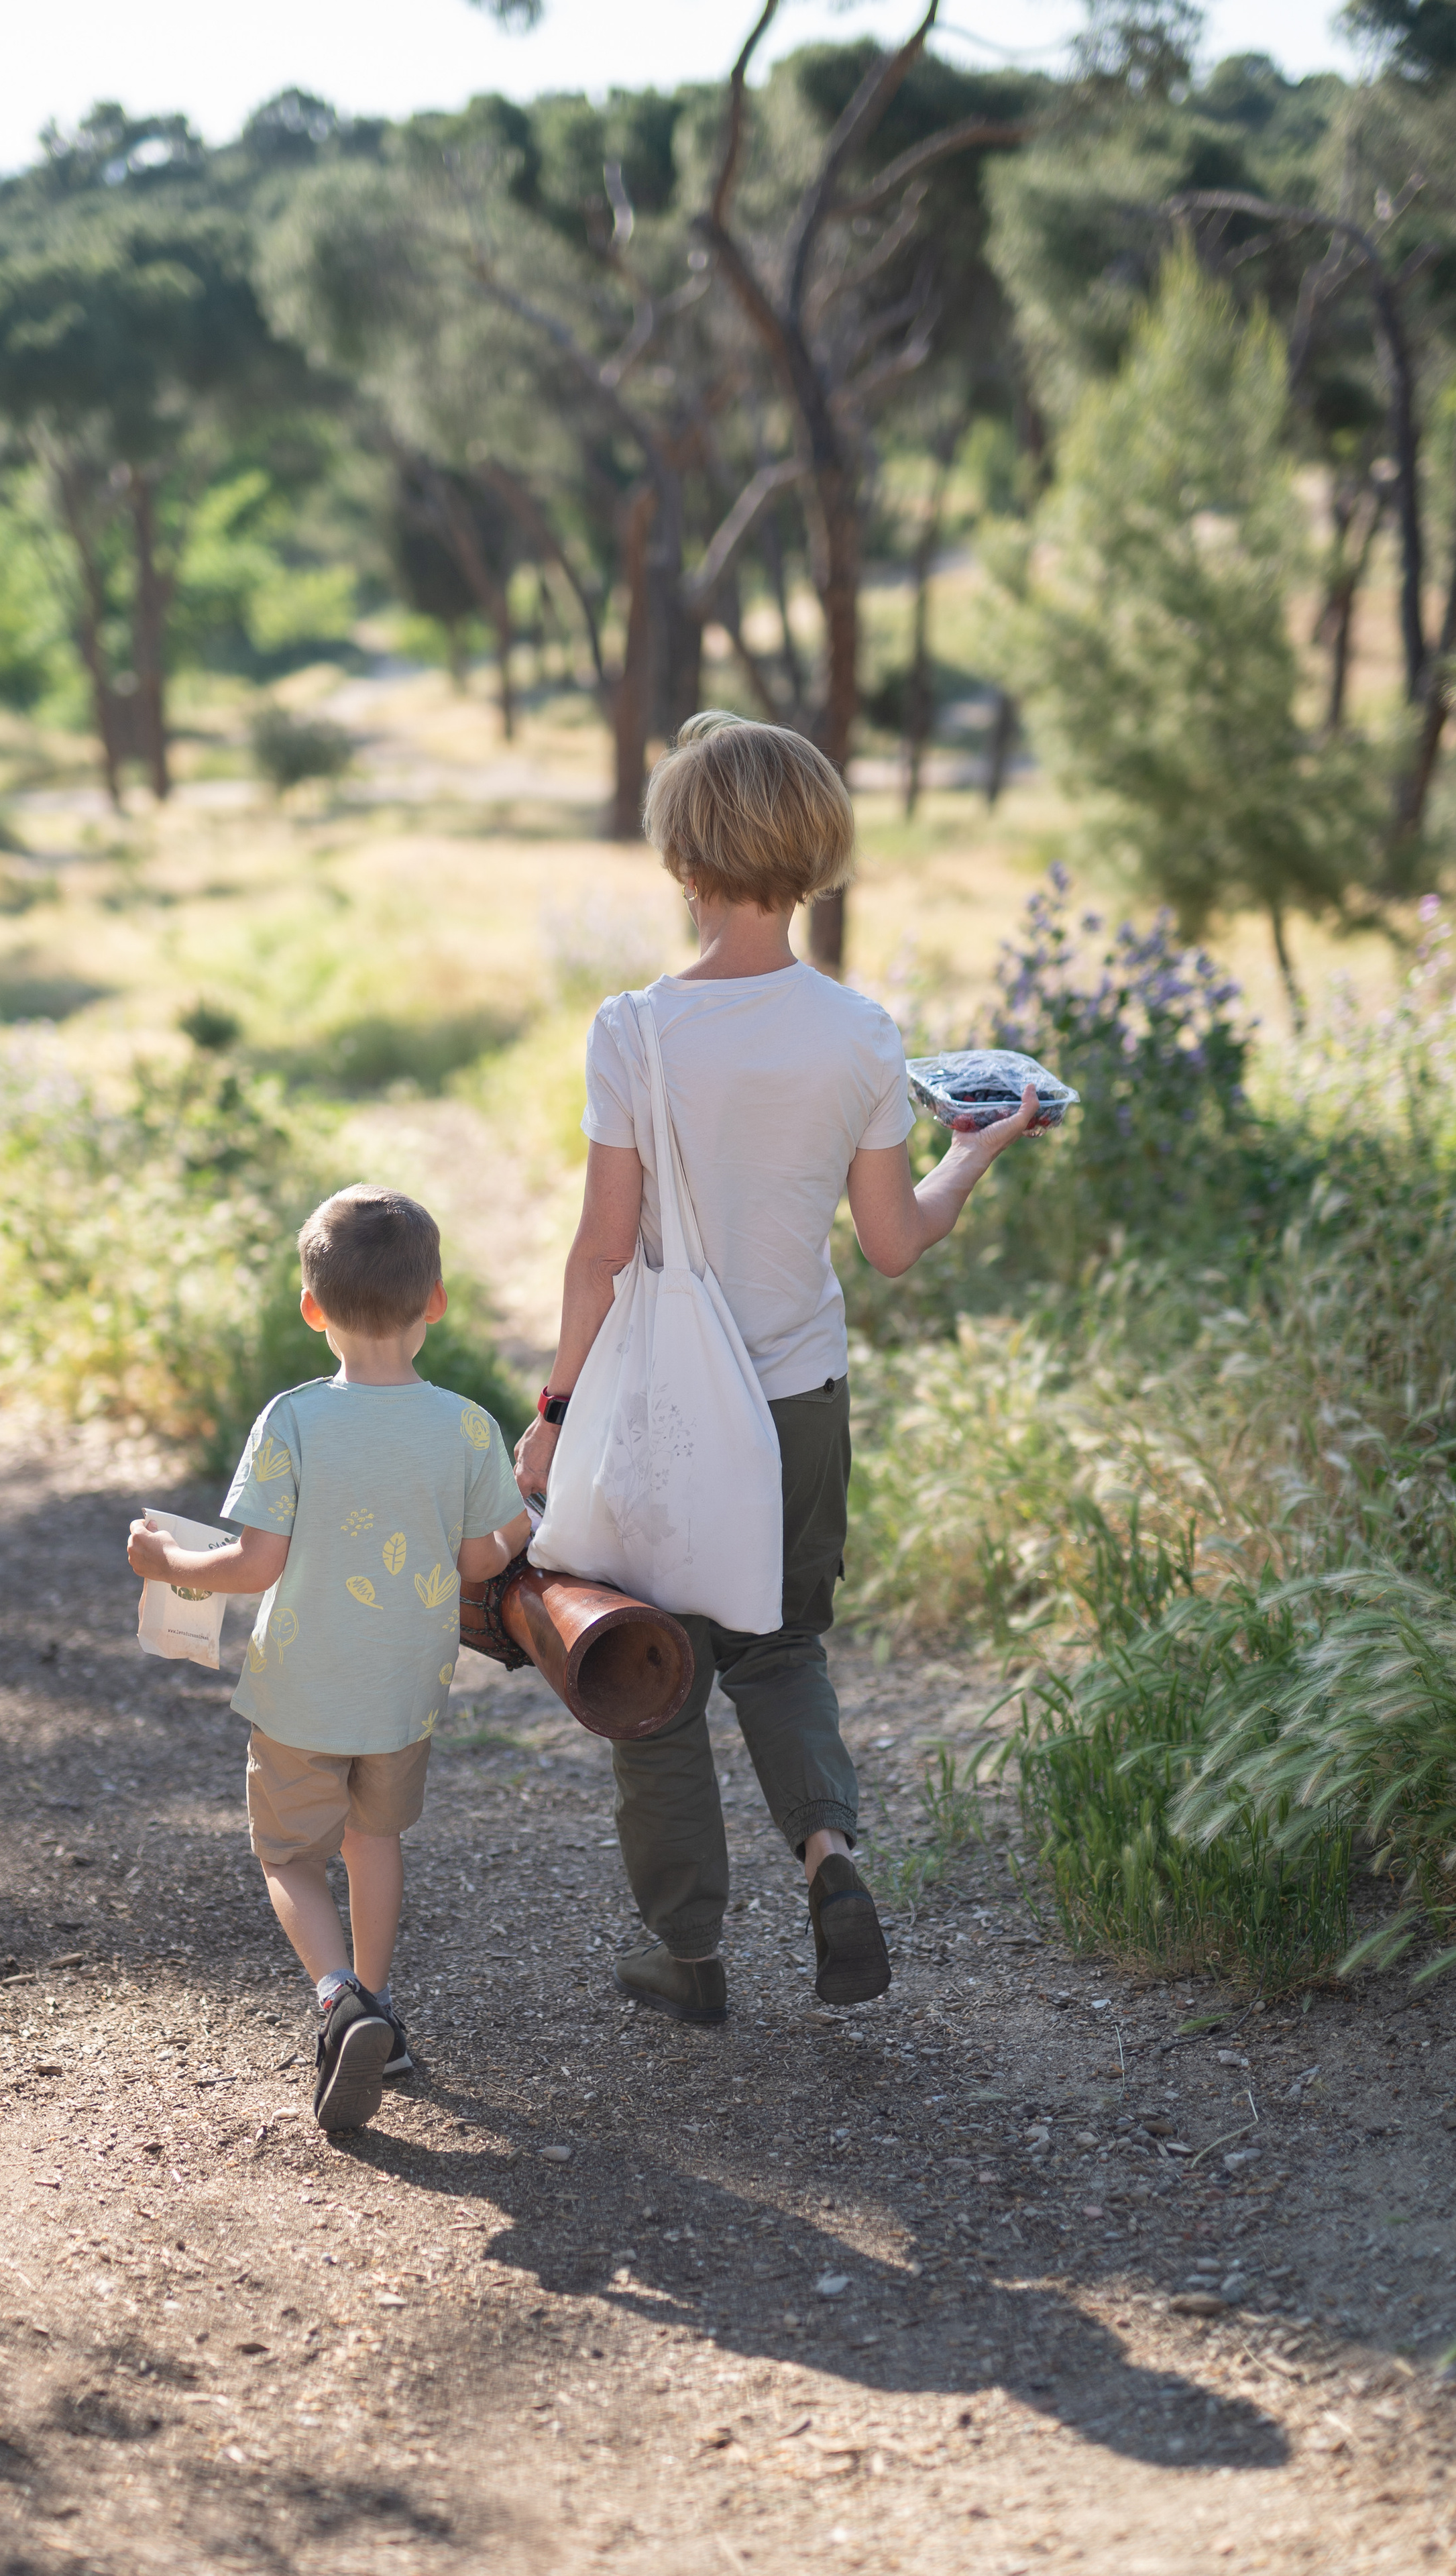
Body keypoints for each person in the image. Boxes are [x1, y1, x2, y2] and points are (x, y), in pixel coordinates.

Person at [514, 712, 1042, 2028]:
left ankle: (687, 1956)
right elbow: (893, 1243)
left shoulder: (634, 1031)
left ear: (683, 854)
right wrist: (969, 1154)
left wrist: (554, 1412)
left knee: (654, 1675)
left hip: (658, 1413)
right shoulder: (860, 1032)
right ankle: (829, 1860)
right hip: (798, 1401)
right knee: (783, 1647)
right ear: (813, 852)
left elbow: (602, 1253)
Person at [129, 1186, 528, 2131]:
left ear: (312, 1309)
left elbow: (253, 1564)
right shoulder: (468, 1426)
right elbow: (481, 1559)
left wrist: (166, 1563)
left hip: (301, 1690)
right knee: (373, 1841)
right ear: (436, 1301)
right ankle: (381, 2013)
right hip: (404, 1692)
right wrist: (521, 1528)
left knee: (289, 1855)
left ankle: (339, 1999)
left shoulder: (295, 1419)